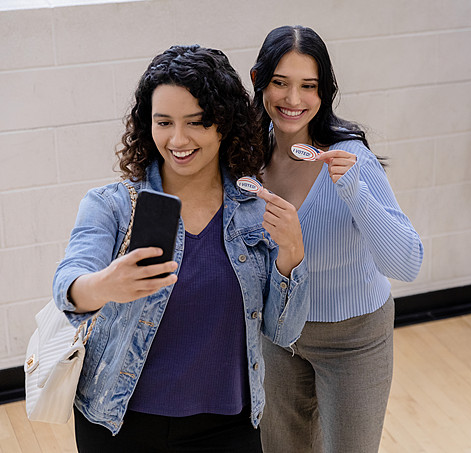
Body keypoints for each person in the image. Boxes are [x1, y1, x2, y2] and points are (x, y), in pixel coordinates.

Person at [52, 45, 309, 452]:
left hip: (229, 425)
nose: (178, 139)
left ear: (224, 124)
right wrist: (104, 285)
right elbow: (68, 284)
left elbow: (284, 331)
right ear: (146, 125)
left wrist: (291, 256)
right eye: (164, 122)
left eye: (197, 122)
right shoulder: (112, 205)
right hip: (120, 424)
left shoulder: (257, 213)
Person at [250, 25, 423, 453]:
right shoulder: (247, 158)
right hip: (278, 335)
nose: (293, 100)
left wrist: (354, 193)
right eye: (280, 83)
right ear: (259, 81)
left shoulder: (353, 160)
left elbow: (407, 264)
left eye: (308, 86)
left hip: (355, 338)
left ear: (324, 92)